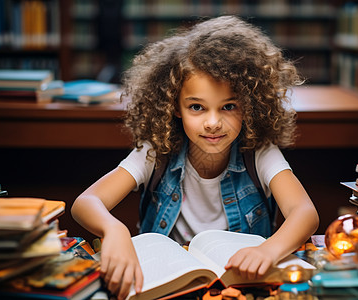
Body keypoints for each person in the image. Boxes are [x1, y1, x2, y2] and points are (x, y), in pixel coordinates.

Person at [71, 15, 319, 300]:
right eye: (197, 107)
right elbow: (86, 203)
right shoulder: (156, 151)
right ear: (175, 106)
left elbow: (305, 214)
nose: (212, 123)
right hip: (172, 289)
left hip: (239, 288)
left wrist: (268, 250)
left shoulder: (258, 152)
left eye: (228, 106)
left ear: (249, 106)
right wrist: (115, 230)